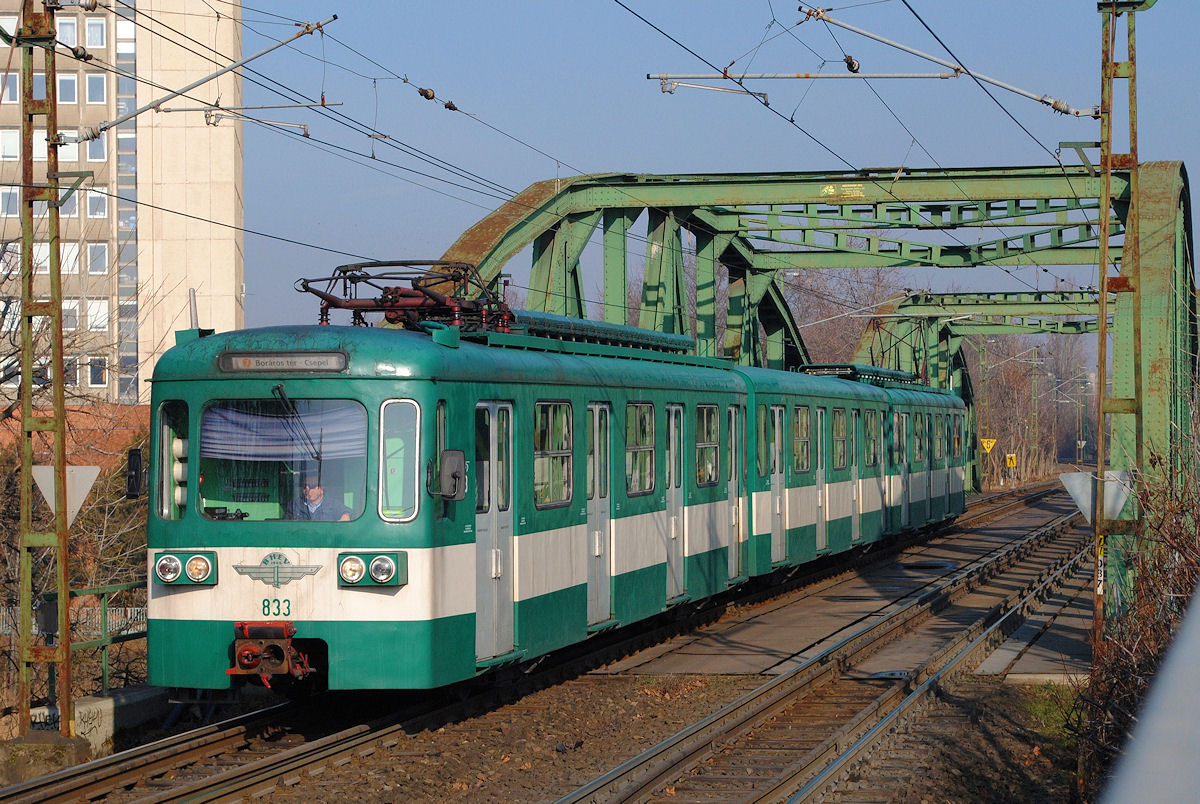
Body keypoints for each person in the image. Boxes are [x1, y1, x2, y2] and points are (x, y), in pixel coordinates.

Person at [285, 474, 352, 521]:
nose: (307, 489)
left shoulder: (333, 504)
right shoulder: (295, 505)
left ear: (321, 489)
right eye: (304, 486)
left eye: (312, 486)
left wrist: (346, 516)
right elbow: (286, 524)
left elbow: (348, 512)